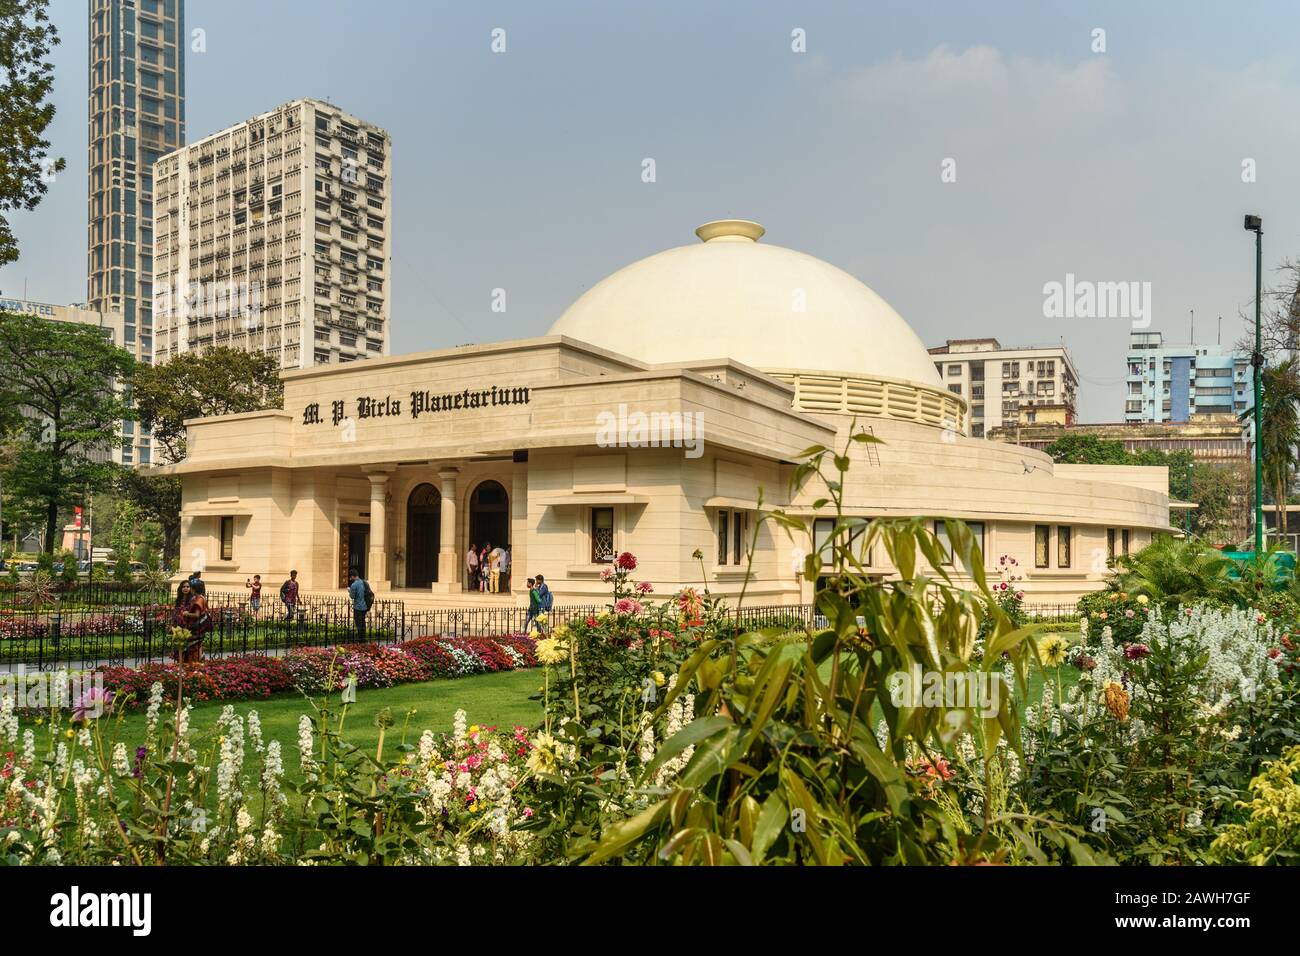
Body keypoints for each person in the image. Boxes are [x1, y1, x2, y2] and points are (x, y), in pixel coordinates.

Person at [173, 579, 211, 662]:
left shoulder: (196, 599)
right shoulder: (179, 600)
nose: (186, 588)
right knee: (182, 649)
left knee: (192, 648)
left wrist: (186, 614)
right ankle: (183, 665)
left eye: (188, 587)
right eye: (184, 587)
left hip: (192, 627)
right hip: (181, 627)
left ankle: (193, 665)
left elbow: (196, 614)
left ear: (193, 589)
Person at [348, 569, 373, 642]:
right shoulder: (364, 582)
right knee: (363, 623)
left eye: (351, 577)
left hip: (358, 607)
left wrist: (349, 591)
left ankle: (360, 639)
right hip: (365, 606)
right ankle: (363, 638)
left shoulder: (354, 585)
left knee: (358, 624)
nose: (350, 578)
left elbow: (352, 596)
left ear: (352, 576)